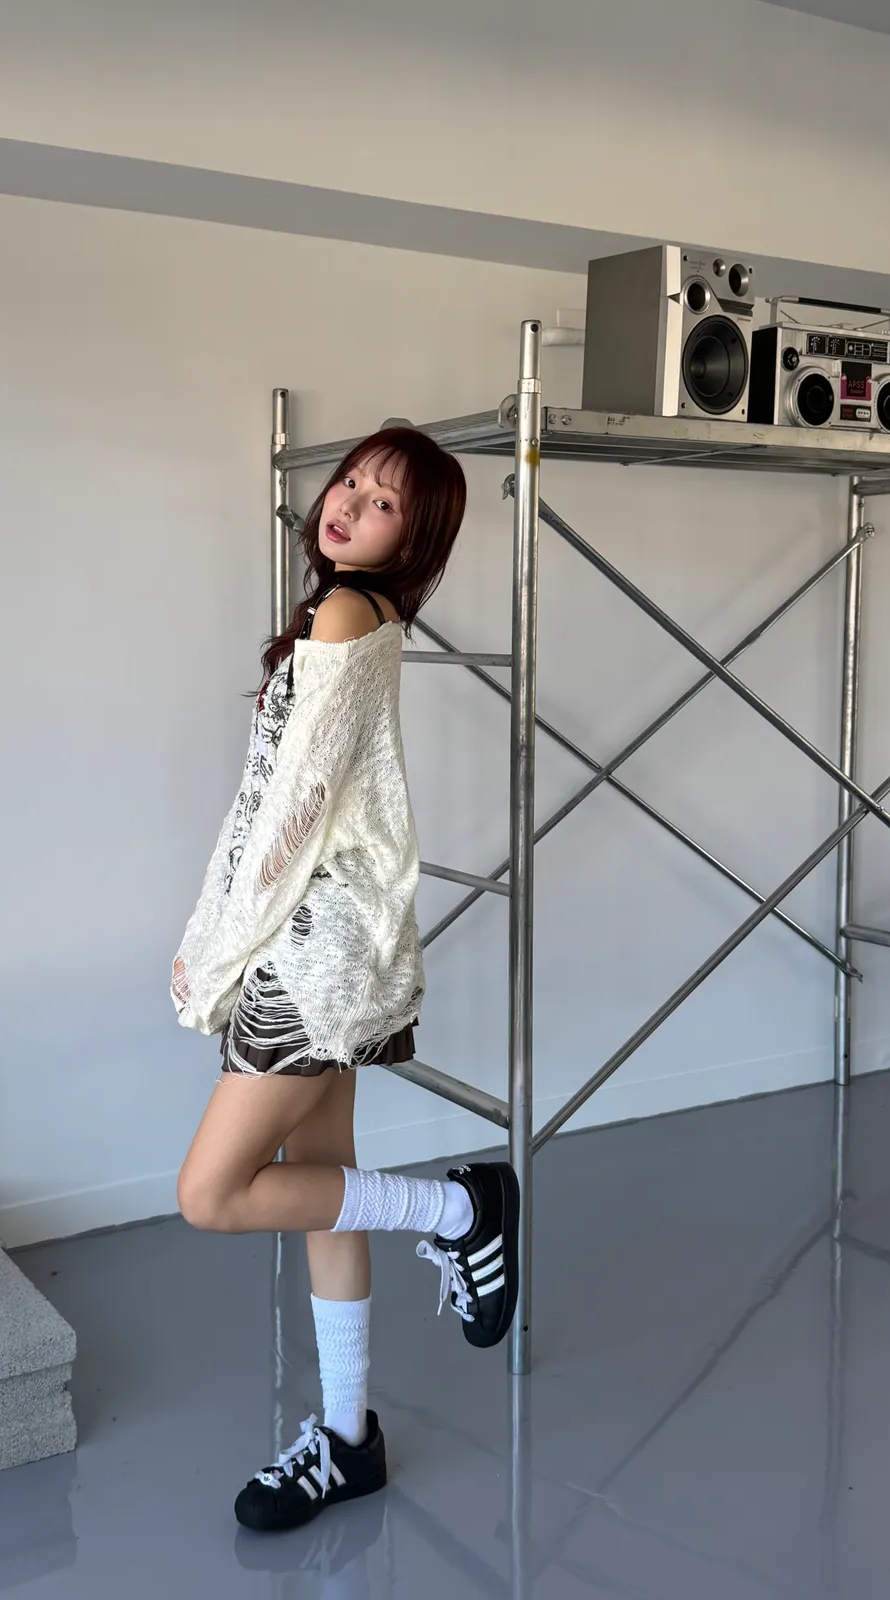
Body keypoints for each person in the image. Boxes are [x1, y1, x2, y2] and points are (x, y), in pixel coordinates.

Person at [171, 426, 521, 1533]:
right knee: (324, 1180)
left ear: (414, 541)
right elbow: (279, 800)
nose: (350, 503)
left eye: (383, 503)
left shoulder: (343, 617)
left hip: (309, 957)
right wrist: (216, 928)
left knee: (211, 1193)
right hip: (342, 945)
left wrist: (219, 945)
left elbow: (291, 811)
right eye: (353, 482)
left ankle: (459, 1207)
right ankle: (348, 1438)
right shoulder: (361, 616)